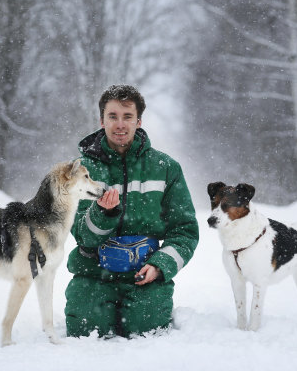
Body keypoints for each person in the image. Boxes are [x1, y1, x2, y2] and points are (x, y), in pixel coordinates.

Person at [64, 84, 199, 338]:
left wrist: (160, 266)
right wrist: (101, 214)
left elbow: (185, 230)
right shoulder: (81, 171)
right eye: (112, 116)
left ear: (139, 121)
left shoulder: (166, 167)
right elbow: (81, 234)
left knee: (146, 330)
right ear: (101, 119)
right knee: (85, 331)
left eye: (127, 117)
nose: (120, 124)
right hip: (94, 273)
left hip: (144, 273)